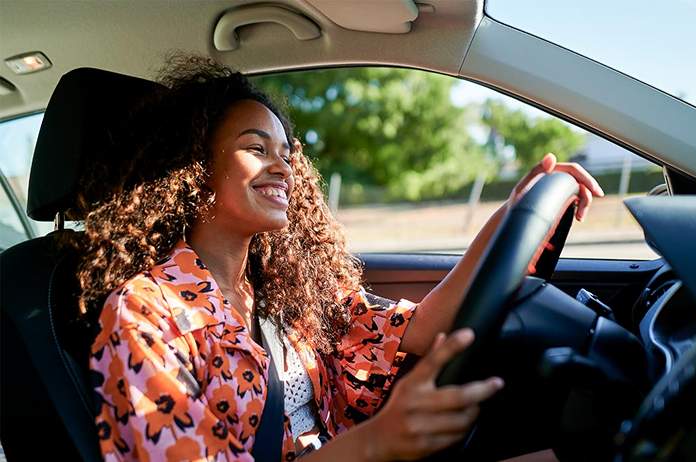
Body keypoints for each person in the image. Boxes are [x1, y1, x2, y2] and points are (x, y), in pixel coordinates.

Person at [81, 55, 603, 461]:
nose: (282, 167)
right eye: (256, 148)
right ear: (192, 168)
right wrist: (378, 442)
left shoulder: (286, 290)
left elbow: (417, 329)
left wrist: (511, 215)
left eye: (287, 153)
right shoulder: (145, 313)